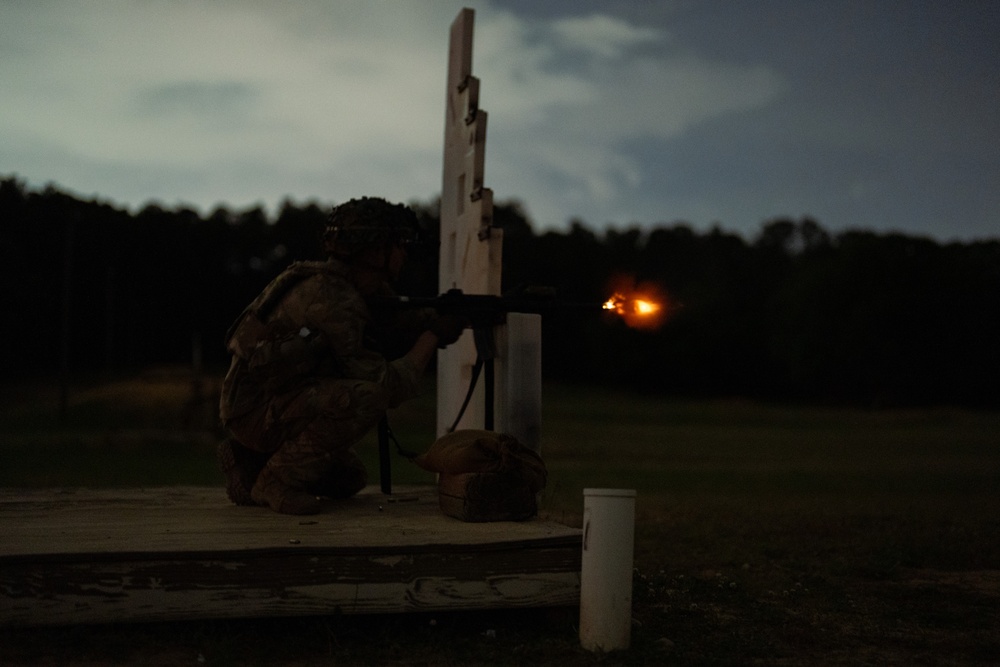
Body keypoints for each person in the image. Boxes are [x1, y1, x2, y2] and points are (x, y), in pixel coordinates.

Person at [217, 197, 465, 515]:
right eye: (398, 244)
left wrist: (440, 316)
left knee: (348, 479)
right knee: (367, 397)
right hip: (256, 413)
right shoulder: (334, 300)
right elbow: (387, 386)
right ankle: (274, 481)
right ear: (374, 251)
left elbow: (398, 319)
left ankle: (250, 462)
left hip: (263, 406)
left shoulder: (342, 284)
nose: (404, 253)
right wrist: (433, 336)